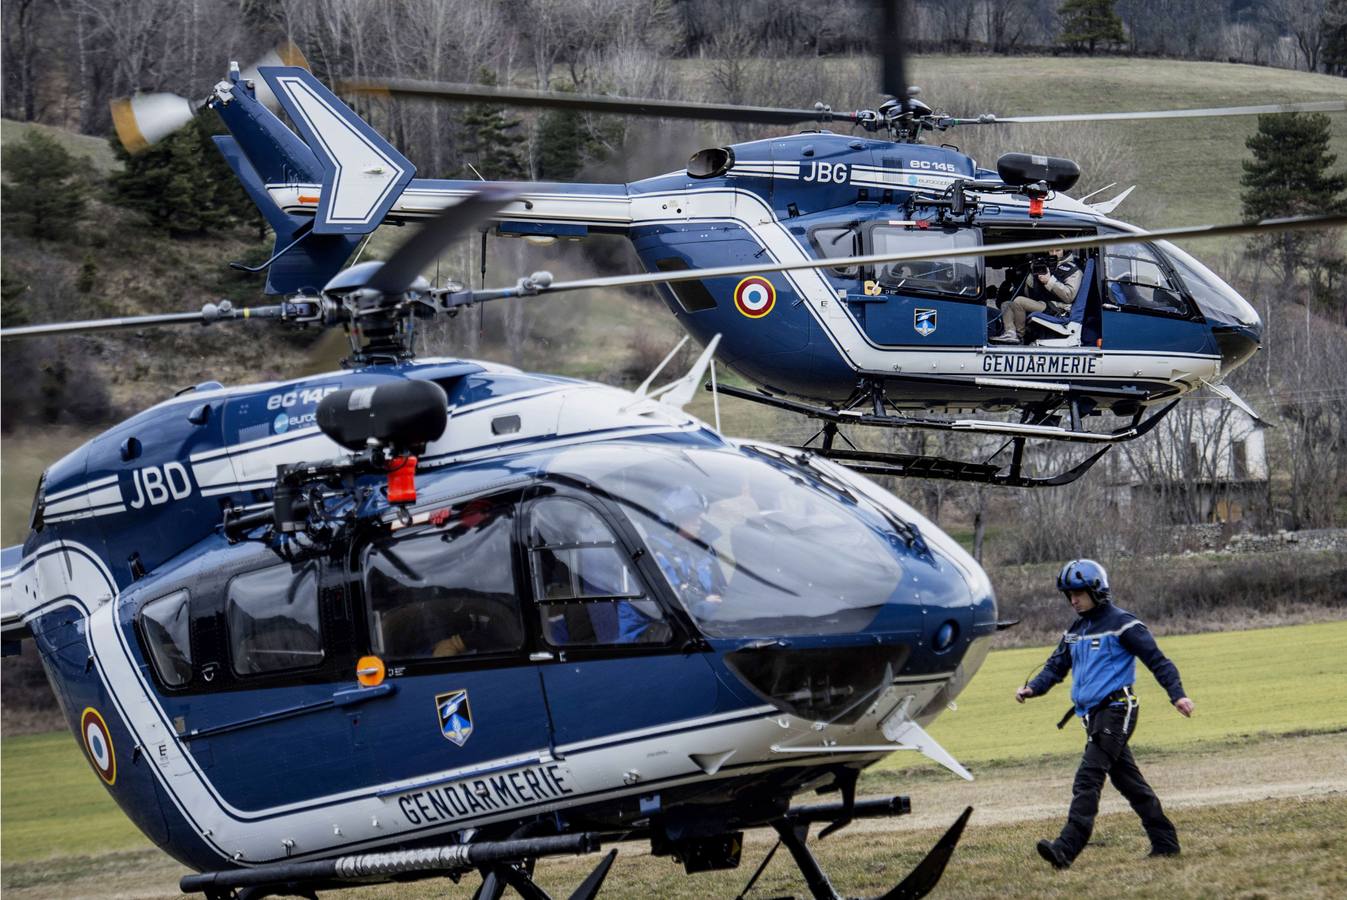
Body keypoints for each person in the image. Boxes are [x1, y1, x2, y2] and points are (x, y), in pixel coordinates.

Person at [1015, 559, 1193, 870]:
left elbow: (1158, 661)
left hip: (1117, 710)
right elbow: (1056, 666)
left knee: (1088, 778)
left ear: (1097, 591)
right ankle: (1165, 843)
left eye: (1078, 594)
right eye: (1068, 595)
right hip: (1092, 716)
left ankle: (1066, 847)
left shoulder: (1123, 624)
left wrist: (1177, 695)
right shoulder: (1074, 630)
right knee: (1130, 783)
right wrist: (1034, 689)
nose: (1072, 600)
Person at [991, 247, 1082, 344]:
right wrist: (1032, 277)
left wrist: (1049, 281)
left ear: (1065, 251)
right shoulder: (1044, 265)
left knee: (1019, 301)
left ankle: (1019, 336)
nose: (1054, 253)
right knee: (1006, 304)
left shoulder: (1072, 269)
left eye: (1058, 250)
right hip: (1044, 304)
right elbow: (1030, 294)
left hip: (1058, 309)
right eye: (1051, 250)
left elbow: (1069, 296)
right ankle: (1010, 333)